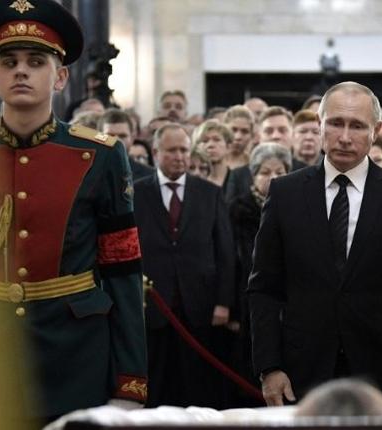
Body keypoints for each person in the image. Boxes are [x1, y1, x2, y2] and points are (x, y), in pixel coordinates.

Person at [0, 0, 147, 421]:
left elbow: (123, 270)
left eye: (36, 61)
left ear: (61, 76)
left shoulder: (100, 156)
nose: (22, 71)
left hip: (76, 354)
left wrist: (130, 380)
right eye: (9, 62)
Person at [248, 81, 382, 406]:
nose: (345, 136)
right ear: (319, 125)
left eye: (357, 126)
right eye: (335, 123)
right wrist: (269, 367)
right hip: (301, 371)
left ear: (376, 130)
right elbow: (264, 288)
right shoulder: (285, 193)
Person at [134, 123, 235, 408]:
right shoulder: (137, 193)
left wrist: (224, 303)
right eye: (172, 150)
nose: (179, 156)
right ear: (155, 152)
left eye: (184, 150)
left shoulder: (209, 193)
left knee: (198, 385)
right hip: (152, 306)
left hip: (200, 306)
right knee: (157, 384)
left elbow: (225, 253)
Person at [228, 143, 293, 405]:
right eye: (265, 171)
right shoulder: (238, 208)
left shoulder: (298, 205)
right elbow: (229, 259)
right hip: (247, 298)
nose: (272, 177)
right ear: (253, 175)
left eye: (279, 171)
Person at [98, 109, 154, 180]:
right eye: (110, 135)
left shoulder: (150, 175)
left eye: (122, 136)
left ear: (132, 138)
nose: (117, 141)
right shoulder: (86, 173)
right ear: (99, 137)